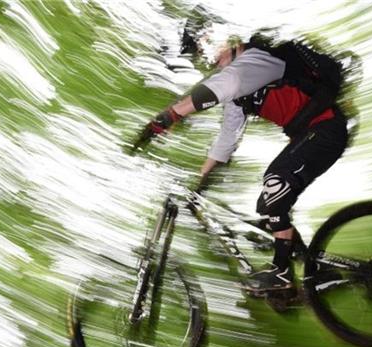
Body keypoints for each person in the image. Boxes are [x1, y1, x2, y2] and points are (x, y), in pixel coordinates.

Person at [136, 34, 350, 294]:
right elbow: (227, 137)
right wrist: (200, 182)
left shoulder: (257, 59)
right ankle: (316, 272)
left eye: (215, 53)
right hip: (312, 135)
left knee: (276, 181)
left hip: (326, 129)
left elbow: (227, 83)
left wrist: (171, 114)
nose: (212, 61)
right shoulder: (239, 91)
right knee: (268, 207)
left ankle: (281, 274)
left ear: (231, 43)